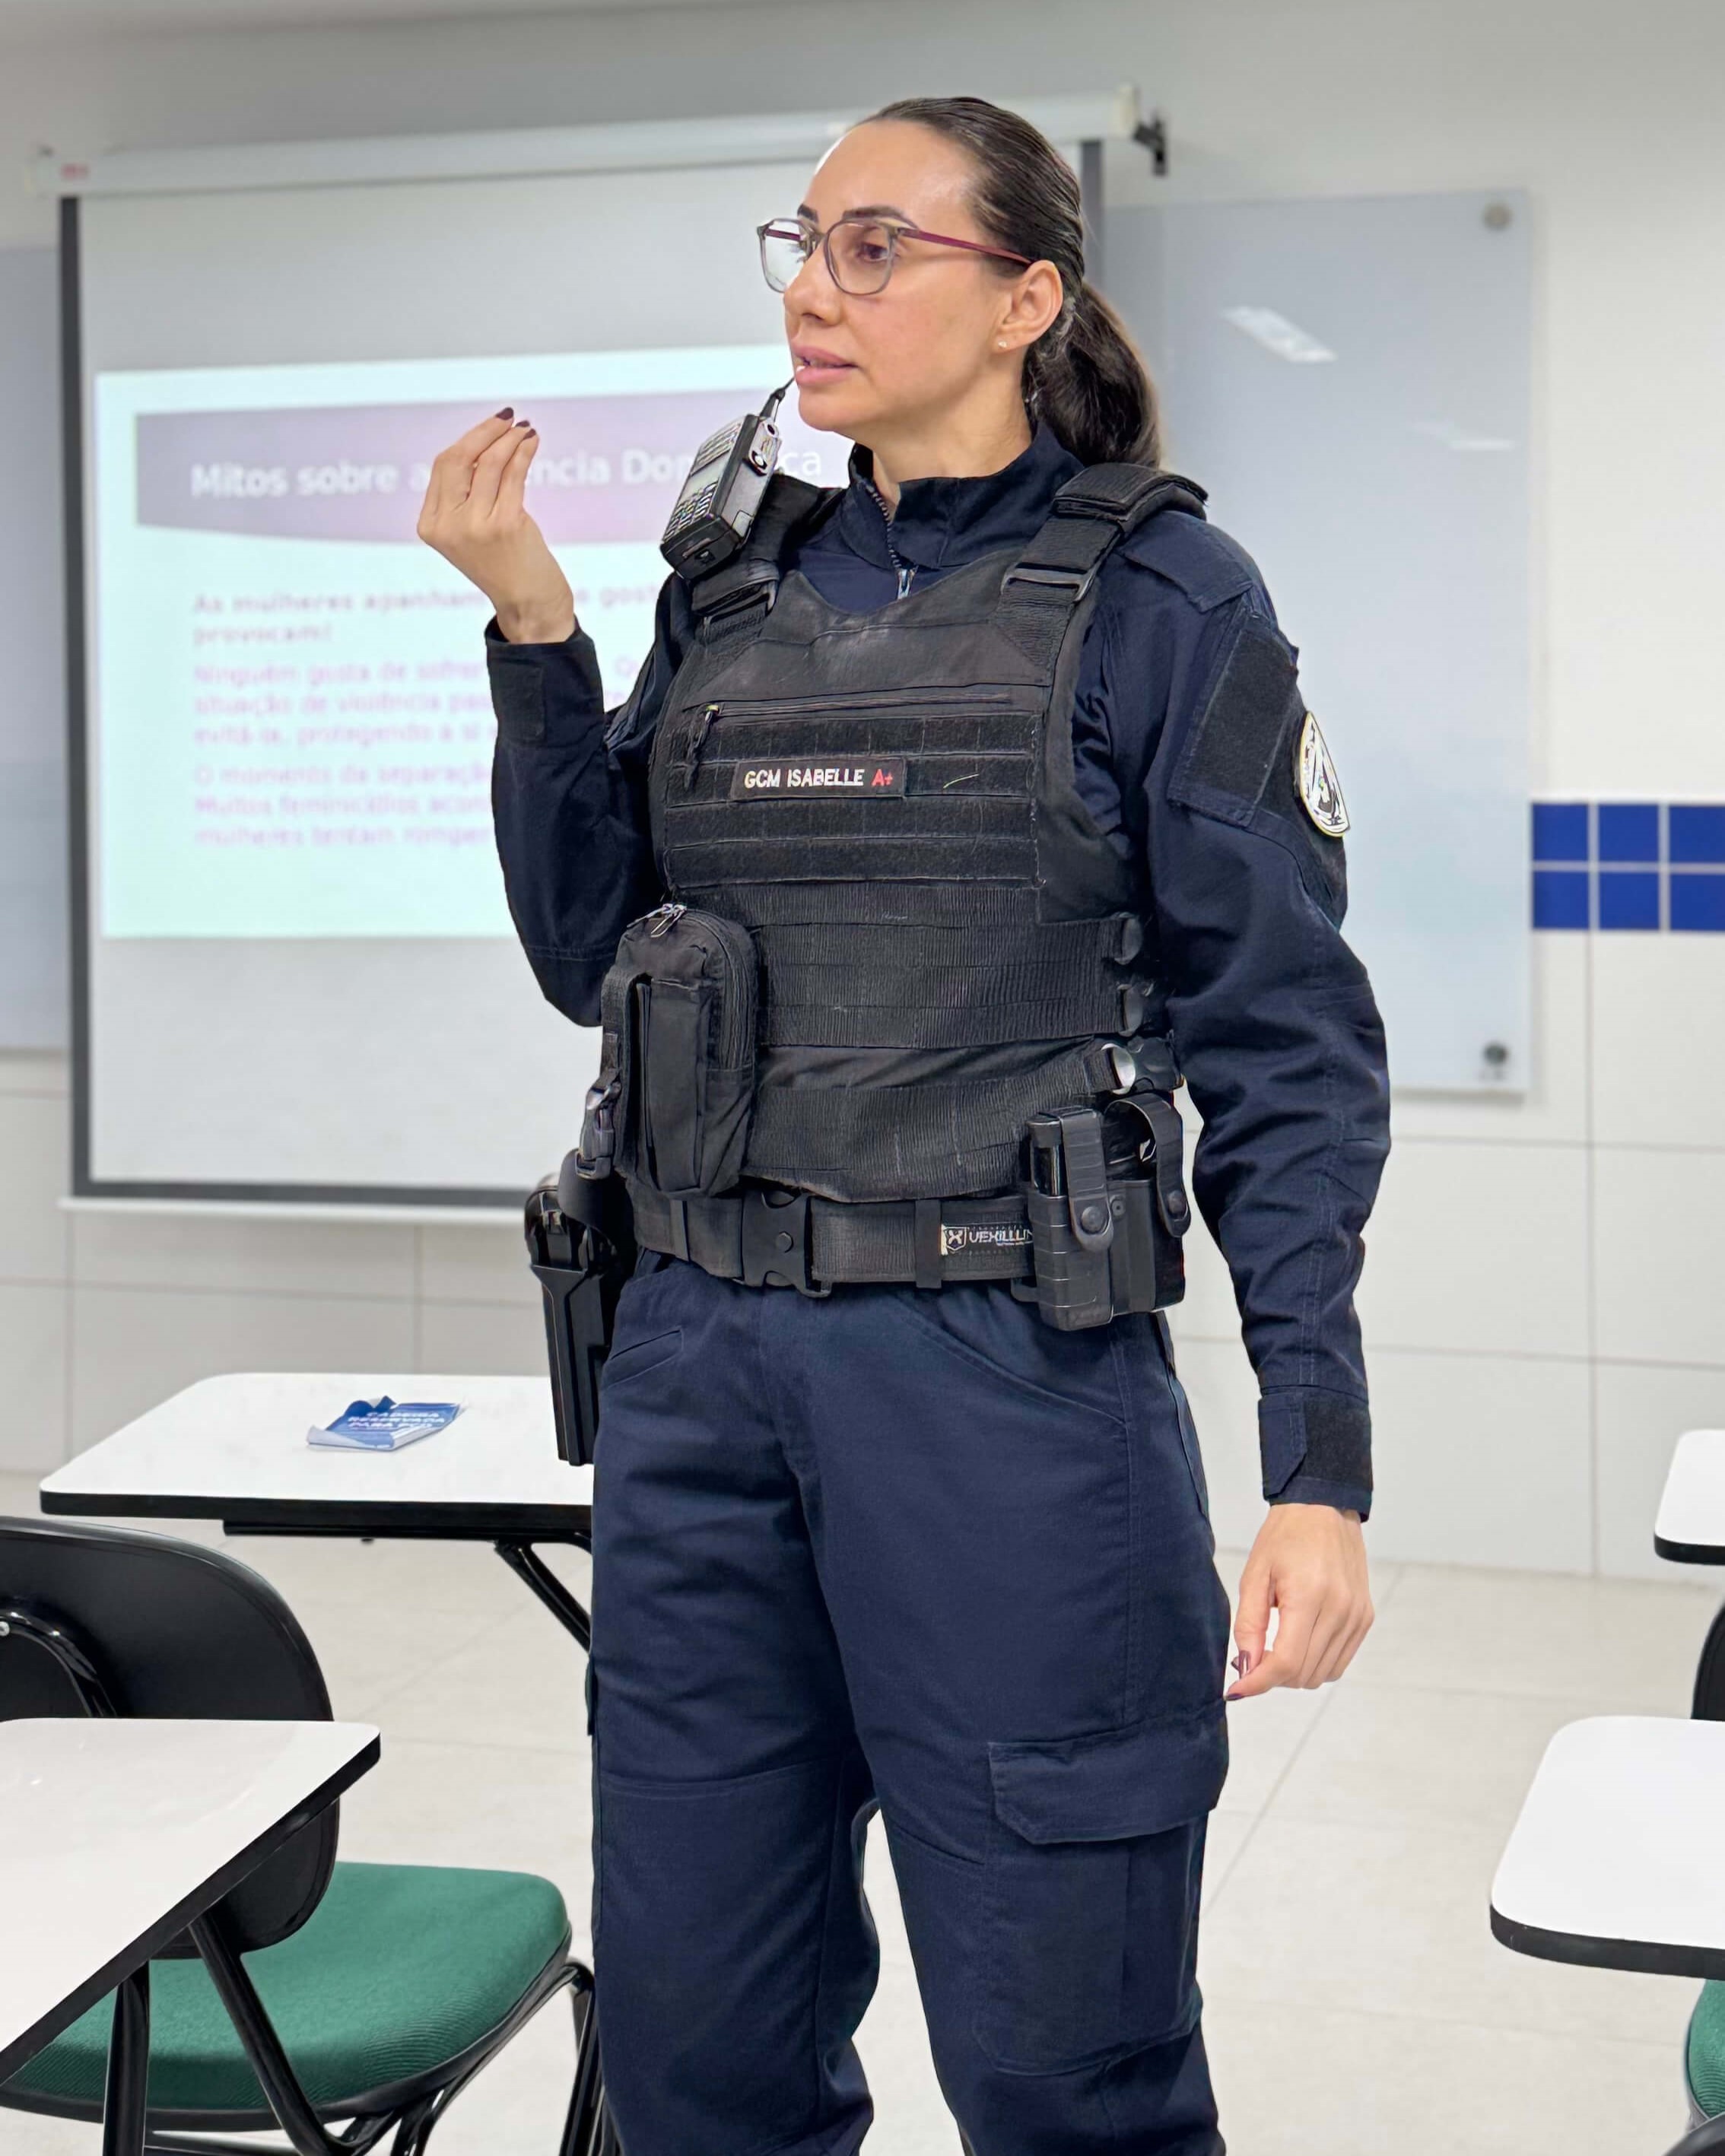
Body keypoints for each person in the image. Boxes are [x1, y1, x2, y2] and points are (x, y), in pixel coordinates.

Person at [419, 94, 1390, 2156]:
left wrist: (1314, 1456)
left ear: (1024, 295)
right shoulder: (728, 589)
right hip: (699, 1381)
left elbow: (1287, 1044)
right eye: (802, 241)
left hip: (1002, 1385)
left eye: (876, 246)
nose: (812, 287)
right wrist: (529, 626)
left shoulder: (1163, 597)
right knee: (698, 2065)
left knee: (1063, 2071)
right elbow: (594, 948)